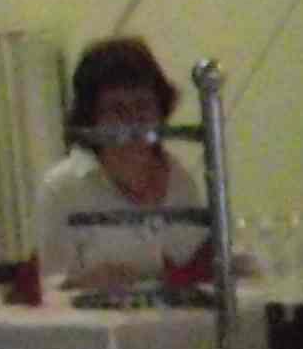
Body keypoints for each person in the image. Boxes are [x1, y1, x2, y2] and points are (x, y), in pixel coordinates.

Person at [28, 37, 213, 299]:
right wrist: (84, 283)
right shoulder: (61, 187)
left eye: (142, 106)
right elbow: (48, 290)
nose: (132, 120)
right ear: (91, 118)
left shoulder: (179, 178)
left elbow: (197, 267)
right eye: (116, 109)